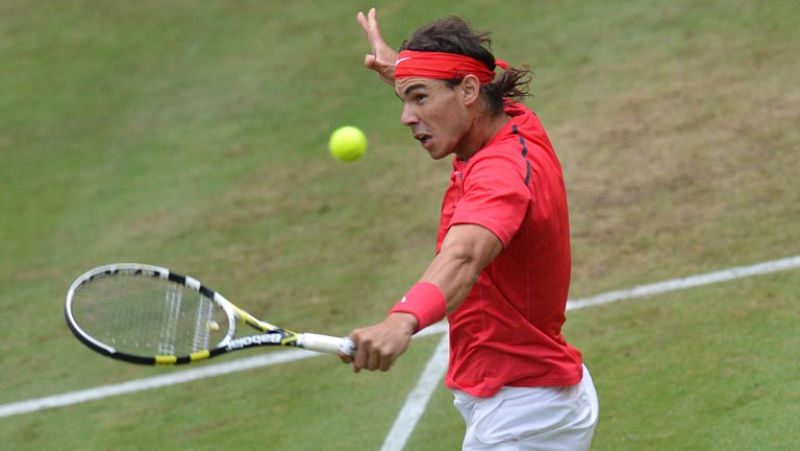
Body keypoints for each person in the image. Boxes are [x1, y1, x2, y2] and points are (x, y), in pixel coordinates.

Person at [341, 8, 599, 450]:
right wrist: (404, 75)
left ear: (468, 91)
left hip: (525, 414)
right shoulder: (512, 123)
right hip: (526, 398)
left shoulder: (499, 175)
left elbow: (462, 257)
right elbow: (466, 94)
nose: (406, 117)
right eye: (406, 99)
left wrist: (400, 322)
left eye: (418, 99)